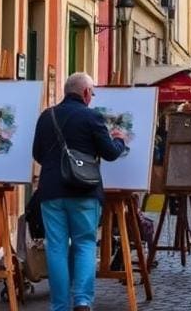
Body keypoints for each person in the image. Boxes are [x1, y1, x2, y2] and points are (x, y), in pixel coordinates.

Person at [32, 72, 126, 311]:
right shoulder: (91, 117)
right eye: (92, 93)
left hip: (51, 192)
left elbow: (37, 154)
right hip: (84, 191)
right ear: (85, 93)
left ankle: (59, 305)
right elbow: (110, 153)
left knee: (56, 247)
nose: (92, 97)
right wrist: (120, 140)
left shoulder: (46, 116)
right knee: (84, 243)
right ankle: (82, 300)